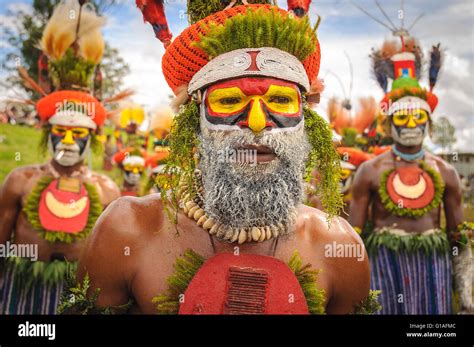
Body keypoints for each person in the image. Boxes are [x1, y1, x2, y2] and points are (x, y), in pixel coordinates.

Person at [60, 1, 378, 315]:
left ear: (305, 120)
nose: (256, 122)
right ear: (194, 121)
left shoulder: (338, 247)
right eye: (228, 101)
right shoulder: (127, 230)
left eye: (280, 100)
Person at [0, 0, 120, 314]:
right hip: (20, 288)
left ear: (91, 137)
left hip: (76, 294)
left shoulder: (107, 190)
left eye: (78, 133)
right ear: (47, 132)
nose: (67, 140)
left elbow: (112, 259)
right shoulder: (20, 180)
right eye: (60, 130)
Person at [350, 38, 473, 314]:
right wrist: (351, 295)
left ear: (428, 122)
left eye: (417, 117)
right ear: (389, 122)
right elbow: (353, 240)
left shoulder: (446, 172)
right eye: (402, 117)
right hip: (383, 267)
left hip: (434, 268)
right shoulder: (369, 171)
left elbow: (458, 239)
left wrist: (465, 297)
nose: (410, 124)